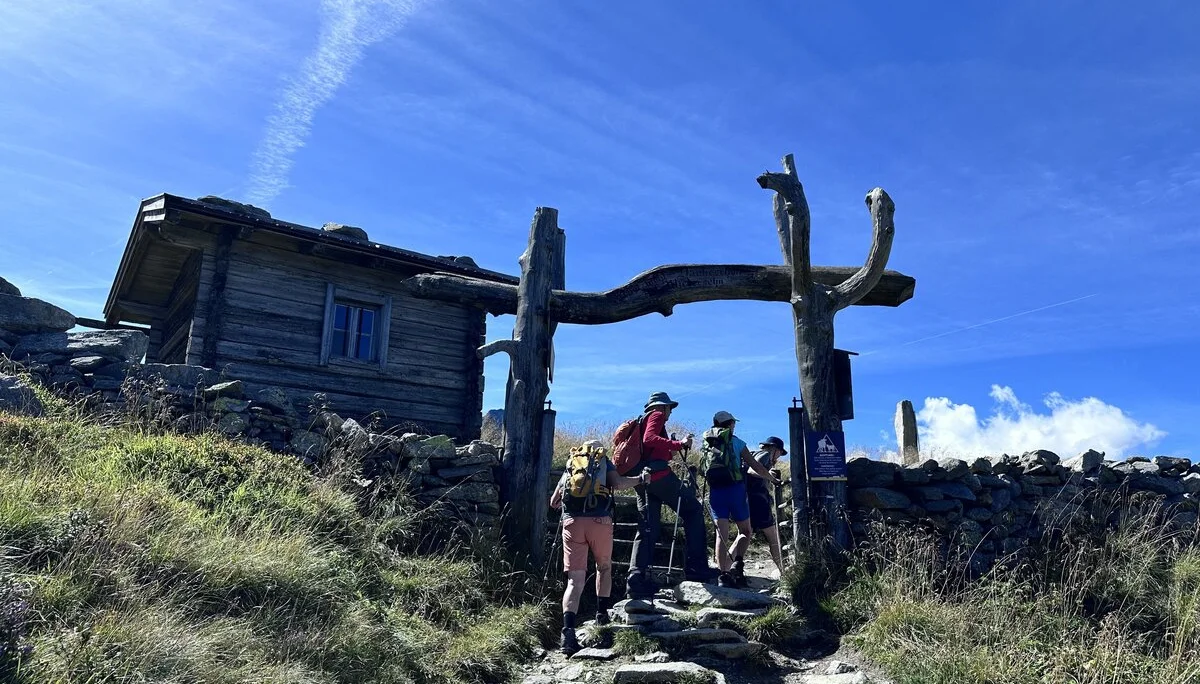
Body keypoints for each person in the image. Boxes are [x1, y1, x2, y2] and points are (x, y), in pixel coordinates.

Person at [550, 440, 651, 655]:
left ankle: (568, 634)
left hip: (572, 523)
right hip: (599, 522)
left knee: (574, 580)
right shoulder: (603, 461)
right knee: (604, 567)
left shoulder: (572, 462)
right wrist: (641, 479)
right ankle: (601, 616)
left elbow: (554, 501)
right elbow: (618, 483)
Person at [626, 391, 719, 599]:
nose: (670, 413)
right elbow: (650, 439)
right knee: (693, 510)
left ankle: (636, 579)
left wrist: (672, 449)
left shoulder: (642, 420)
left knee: (648, 527)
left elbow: (651, 447)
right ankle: (696, 568)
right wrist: (680, 443)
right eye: (670, 408)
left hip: (642, 479)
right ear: (663, 406)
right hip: (658, 476)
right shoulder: (657, 414)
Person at [701, 411, 781, 588]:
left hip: (716, 492)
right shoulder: (737, 442)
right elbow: (756, 467)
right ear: (730, 424)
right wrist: (772, 479)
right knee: (745, 530)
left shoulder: (707, 441)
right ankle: (737, 564)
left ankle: (723, 575)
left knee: (721, 535)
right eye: (733, 424)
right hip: (735, 490)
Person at [745, 436, 788, 579]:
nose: (779, 456)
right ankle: (784, 571)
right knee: (772, 536)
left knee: (745, 534)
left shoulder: (753, 454)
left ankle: (728, 568)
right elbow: (752, 471)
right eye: (780, 452)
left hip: (746, 498)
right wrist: (771, 477)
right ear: (774, 449)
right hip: (758, 500)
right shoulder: (764, 455)